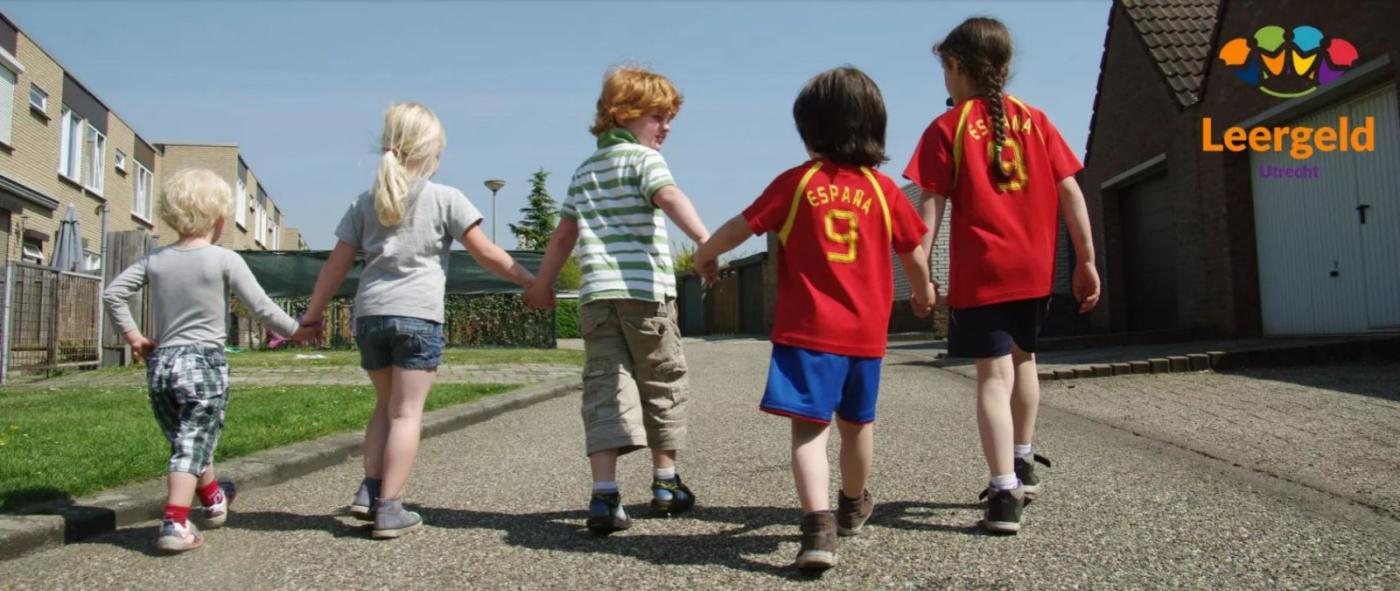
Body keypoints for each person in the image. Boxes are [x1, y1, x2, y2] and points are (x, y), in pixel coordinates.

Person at [694, 66, 934, 571]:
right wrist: (923, 291)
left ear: (809, 131)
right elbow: (912, 251)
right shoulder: (883, 190)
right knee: (857, 425)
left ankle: (818, 527)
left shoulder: (796, 183)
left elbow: (742, 226)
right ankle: (852, 504)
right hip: (865, 336)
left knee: (809, 431)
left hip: (807, 334)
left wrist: (705, 253)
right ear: (873, 128)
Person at [296, 102, 534, 539]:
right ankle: (390, 508)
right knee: (407, 414)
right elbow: (487, 253)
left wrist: (311, 316)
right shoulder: (445, 199)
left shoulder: (364, 203)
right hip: (418, 318)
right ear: (430, 154)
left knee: (385, 408)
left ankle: (370, 492)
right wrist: (529, 281)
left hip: (370, 317)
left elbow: (335, 267)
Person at [903, 16, 1101, 534]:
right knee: (1025, 361)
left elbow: (930, 207)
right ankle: (1023, 459)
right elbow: (1071, 192)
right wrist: (1085, 259)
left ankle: (1003, 492)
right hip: (1033, 268)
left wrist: (920, 271)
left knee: (993, 376)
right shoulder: (1037, 119)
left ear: (955, 67)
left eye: (944, 68)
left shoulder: (946, 128)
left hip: (983, 273)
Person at [525, 66, 711, 536]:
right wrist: (706, 244)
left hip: (597, 300)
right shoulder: (645, 161)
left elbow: (564, 234)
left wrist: (542, 285)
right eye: (658, 116)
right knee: (661, 381)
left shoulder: (584, 170)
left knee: (605, 387)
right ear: (625, 114)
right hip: (646, 297)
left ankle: (605, 495)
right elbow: (670, 198)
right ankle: (665, 484)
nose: (666, 127)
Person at [104, 167, 303, 553]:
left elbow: (113, 294)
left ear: (171, 215)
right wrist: (298, 330)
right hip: (203, 366)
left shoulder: (155, 260)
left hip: (161, 365)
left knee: (189, 441)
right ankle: (175, 523)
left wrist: (135, 338)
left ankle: (212, 498)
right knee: (192, 443)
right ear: (220, 218)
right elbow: (261, 308)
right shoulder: (224, 259)